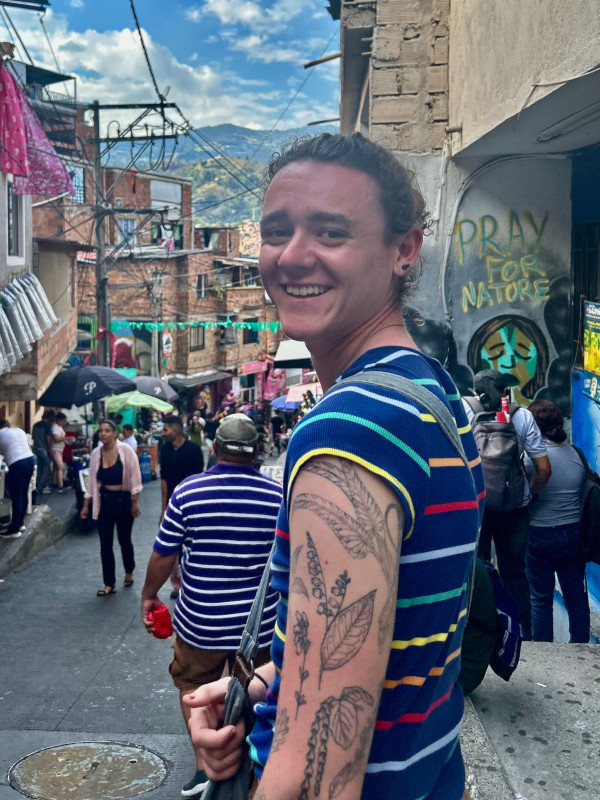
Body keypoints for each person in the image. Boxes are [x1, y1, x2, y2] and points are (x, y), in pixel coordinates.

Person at [184, 133, 484, 800]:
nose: (292, 256)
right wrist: (259, 682)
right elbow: (407, 636)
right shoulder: (430, 394)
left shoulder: (353, 427)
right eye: (276, 230)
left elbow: (319, 774)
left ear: (404, 250)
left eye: (331, 231)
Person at [141, 413, 283, 798]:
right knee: (255, 693)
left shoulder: (189, 492)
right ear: (256, 453)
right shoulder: (277, 497)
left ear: (215, 448)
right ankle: (251, 767)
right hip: (260, 630)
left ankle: (207, 766)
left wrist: (149, 595)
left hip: (200, 624)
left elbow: (163, 553)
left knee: (194, 686)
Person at [462, 369, 551, 639]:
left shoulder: (463, 412)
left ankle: (477, 631)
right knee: (514, 573)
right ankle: (523, 633)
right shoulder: (522, 416)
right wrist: (530, 494)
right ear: (505, 392)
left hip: (476, 506)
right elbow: (544, 469)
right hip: (514, 508)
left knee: (477, 569)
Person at [525, 399, 590, 643]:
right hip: (574, 534)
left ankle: (545, 649)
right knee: (576, 596)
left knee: (540, 599)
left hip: (539, 534)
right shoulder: (576, 455)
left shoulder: (531, 459)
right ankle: (580, 646)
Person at [80, 420, 142, 597]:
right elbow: (92, 482)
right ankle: (109, 583)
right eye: (101, 431)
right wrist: (86, 505)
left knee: (124, 540)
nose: (103, 434)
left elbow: (135, 478)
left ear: (114, 433)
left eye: (107, 431)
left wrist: (134, 502)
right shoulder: (95, 454)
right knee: (105, 544)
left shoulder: (126, 451)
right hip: (105, 501)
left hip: (123, 500)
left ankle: (129, 570)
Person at [159, 415, 204, 520]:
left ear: (175, 431)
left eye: (165, 430)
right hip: (172, 502)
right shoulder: (165, 450)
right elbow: (164, 480)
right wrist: (164, 509)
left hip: (191, 501)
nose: (163, 434)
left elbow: (199, 479)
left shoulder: (194, 450)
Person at [0, 419, 36, 539]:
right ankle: (20, 523)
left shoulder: (0, 434)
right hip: (30, 460)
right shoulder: (19, 431)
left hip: (17, 464)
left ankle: (14, 530)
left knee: (16, 496)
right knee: (23, 493)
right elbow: (27, 446)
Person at [31, 410, 54, 495]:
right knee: (46, 467)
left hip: (35, 448)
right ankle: (40, 487)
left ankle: (35, 486)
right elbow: (48, 439)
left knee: (38, 468)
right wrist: (50, 449)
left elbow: (33, 436)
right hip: (44, 449)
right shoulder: (47, 426)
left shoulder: (35, 425)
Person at [50, 411, 69, 492]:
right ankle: (60, 486)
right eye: (63, 420)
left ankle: (54, 483)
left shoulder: (59, 427)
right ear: (59, 420)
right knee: (61, 467)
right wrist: (65, 438)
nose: (64, 422)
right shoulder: (55, 427)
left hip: (60, 449)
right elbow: (56, 439)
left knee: (56, 468)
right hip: (55, 449)